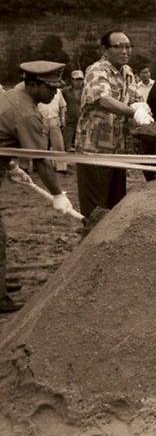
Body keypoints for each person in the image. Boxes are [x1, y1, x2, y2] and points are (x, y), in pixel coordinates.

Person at [0, 61, 77, 312]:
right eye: (50, 88)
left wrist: (11, 165)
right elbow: (41, 161)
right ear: (32, 85)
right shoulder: (27, 113)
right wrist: (58, 194)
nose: (55, 93)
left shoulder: (15, 94)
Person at [75, 31, 150, 218]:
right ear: (105, 50)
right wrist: (133, 112)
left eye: (128, 46)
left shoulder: (128, 73)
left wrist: (143, 111)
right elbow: (103, 100)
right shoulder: (97, 70)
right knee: (95, 211)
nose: (125, 51)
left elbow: (136, 100)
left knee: (115, 208)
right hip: (94, 152)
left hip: (118, 151)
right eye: (118, 46)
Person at [38, 88, 67, 172]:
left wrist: (63, 119)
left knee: (58, 145)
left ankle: (61, 167)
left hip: (54, 119)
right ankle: (43, 167)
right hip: (41, 120)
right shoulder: (40, 91)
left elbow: (62, 106)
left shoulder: (58, 92)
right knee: (42, 145)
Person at [61, 70, 83, 150]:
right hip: (69, 120)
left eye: (80, 79)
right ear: (72, 80)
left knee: (82, 143)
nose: (78, 82)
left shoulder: (85, 91)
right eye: (76, 79)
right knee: (66, 143)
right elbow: (60, 103)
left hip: (82, 120)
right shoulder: (65, 91)